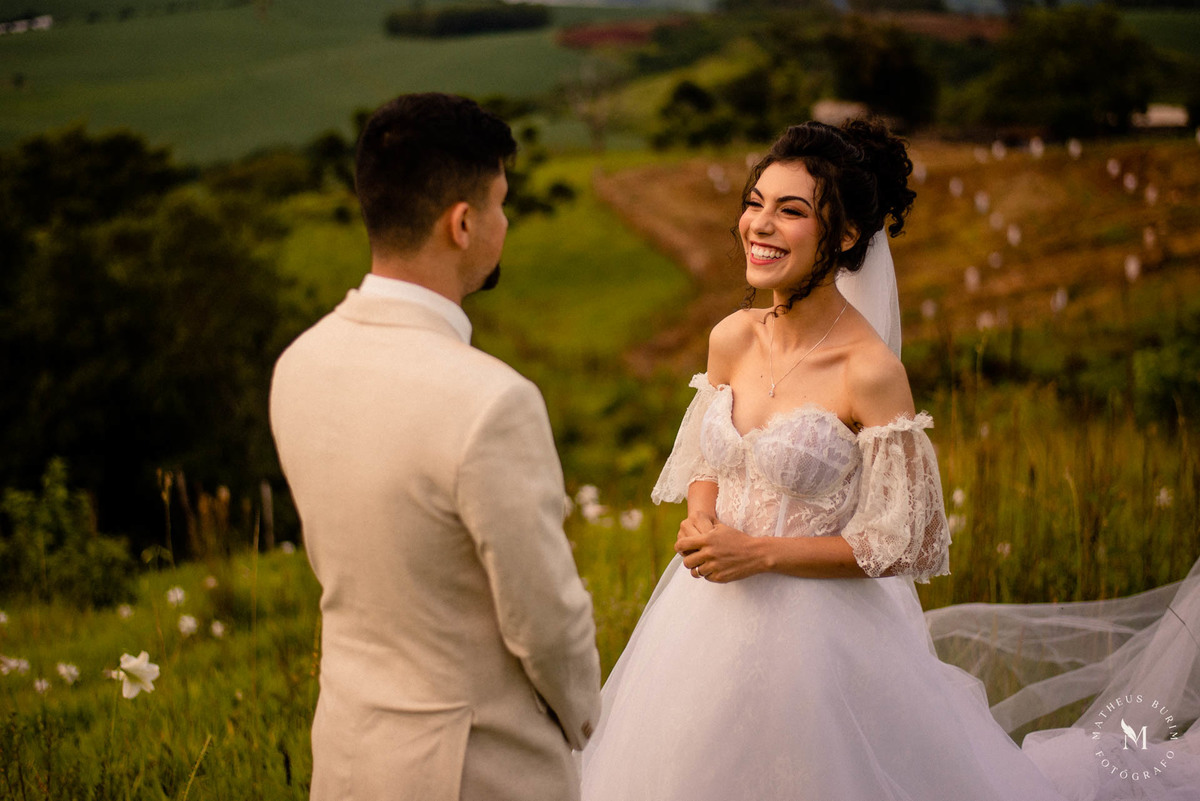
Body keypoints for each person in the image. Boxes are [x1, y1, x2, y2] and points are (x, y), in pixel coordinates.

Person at [579, 119, 1199, 801]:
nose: (759, 224)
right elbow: (707, 455)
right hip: (701, 616)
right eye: (754, 202)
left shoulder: (869, 371)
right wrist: (701, 520)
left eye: (790, 210)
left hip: (816, 638)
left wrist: (758, 550)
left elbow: (903, 539)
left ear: (843, 235)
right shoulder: (729, 336)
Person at [270, 93, 601, 801]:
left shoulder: (297, 362)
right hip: (477, 766)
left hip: (348, 749)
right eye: (501, 203)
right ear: (462, 222)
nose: (505, 223)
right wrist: (586, 720)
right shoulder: (492, 401)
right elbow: (544, 618)